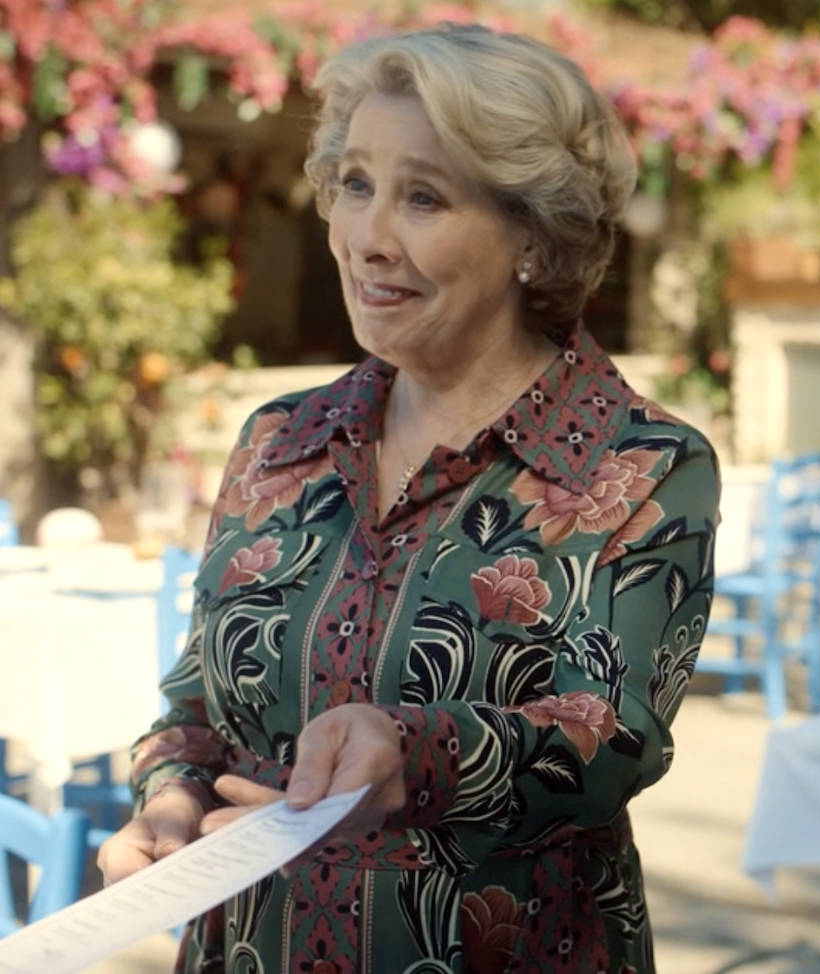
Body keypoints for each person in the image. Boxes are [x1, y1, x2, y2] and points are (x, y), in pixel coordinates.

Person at [99, 24, 720, 974]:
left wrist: (414, 753)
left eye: (423, 197)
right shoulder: (279, 441)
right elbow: (196, 703)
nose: (367, 239)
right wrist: (171, 799)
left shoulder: (638, 463)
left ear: (532, 234)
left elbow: (616, 735)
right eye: (355, 184)